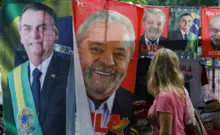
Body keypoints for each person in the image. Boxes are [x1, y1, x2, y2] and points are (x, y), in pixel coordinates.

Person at [7, 3, 70, 135]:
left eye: (42, 28)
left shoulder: (72, 73)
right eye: (27, 29)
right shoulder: (13, 77)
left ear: (56, 33)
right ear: (21, 35)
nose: (34, 35)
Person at [76, 10, 135, 134]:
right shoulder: (54, 99)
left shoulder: (136, 108)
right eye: (96, 49)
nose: (107, 62)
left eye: (119, 54)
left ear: (129, 60)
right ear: (78, 52)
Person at [147, 48, 195, 135]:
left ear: (155, 68)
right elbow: (190, 120)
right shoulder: (181, 90)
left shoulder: (164, 96)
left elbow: (165, 132)